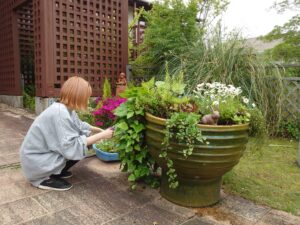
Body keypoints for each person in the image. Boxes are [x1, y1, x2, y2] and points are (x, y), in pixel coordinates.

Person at [20, 76, 114, 191]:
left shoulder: (65, 108)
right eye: (86, 97)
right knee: (82, 145)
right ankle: (42, 179)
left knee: (85, 141)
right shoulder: (60, 113)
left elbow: (79, 125)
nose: (88, 101)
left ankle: (56, 171)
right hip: (35, 162)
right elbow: (71, 145)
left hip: (38, 157)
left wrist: (99, 130)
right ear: (78, 96)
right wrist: (102, 135)